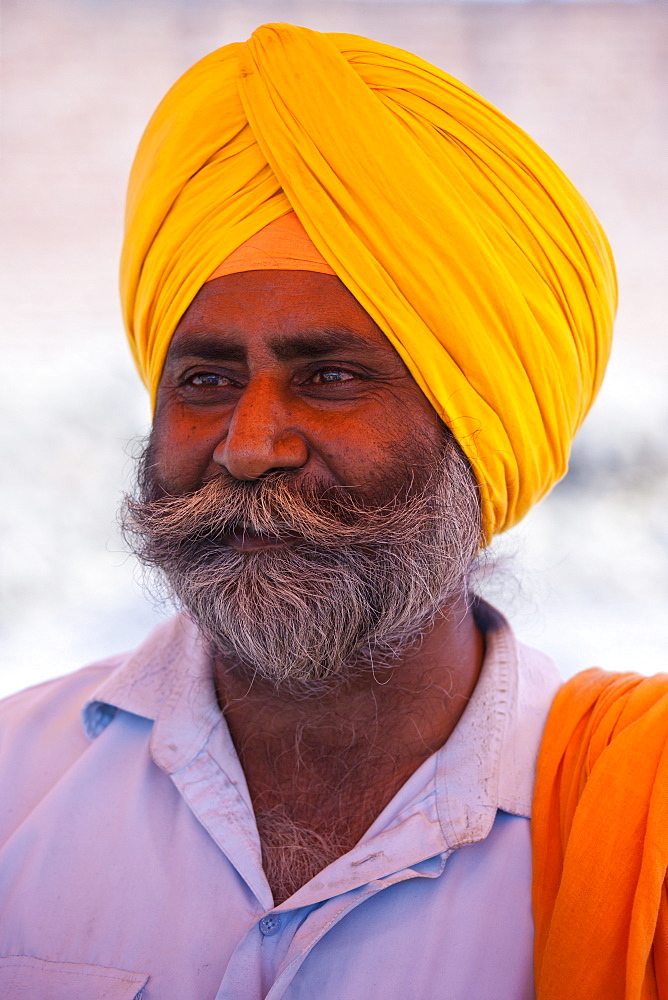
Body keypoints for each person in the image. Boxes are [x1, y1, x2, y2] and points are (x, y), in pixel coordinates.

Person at [0, 22, 665, 1000]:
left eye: (331, 375)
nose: (247, 443)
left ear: (477, 433)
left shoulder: (636, 816)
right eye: (206, 378)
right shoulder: (17, 784)